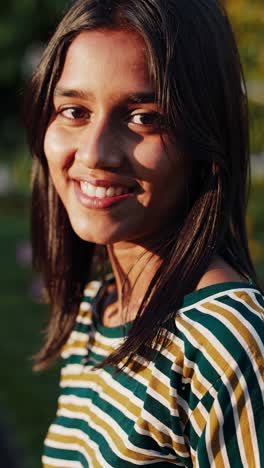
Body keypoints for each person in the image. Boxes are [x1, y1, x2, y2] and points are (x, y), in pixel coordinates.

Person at [25, 0, 264, 466]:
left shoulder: (222, 339)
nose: (95, 155)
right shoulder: (98, 305)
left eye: (144, 117)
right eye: (74, 111)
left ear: (205, 134)